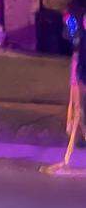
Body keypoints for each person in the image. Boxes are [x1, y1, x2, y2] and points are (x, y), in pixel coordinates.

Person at [41, 12, 86, 175]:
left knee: (77, 113)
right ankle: (74, 144)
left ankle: (71, 150)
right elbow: (75, 50)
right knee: (76, 111)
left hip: (80, 78)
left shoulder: (81, 38)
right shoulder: (80, 38)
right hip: (79, 78)